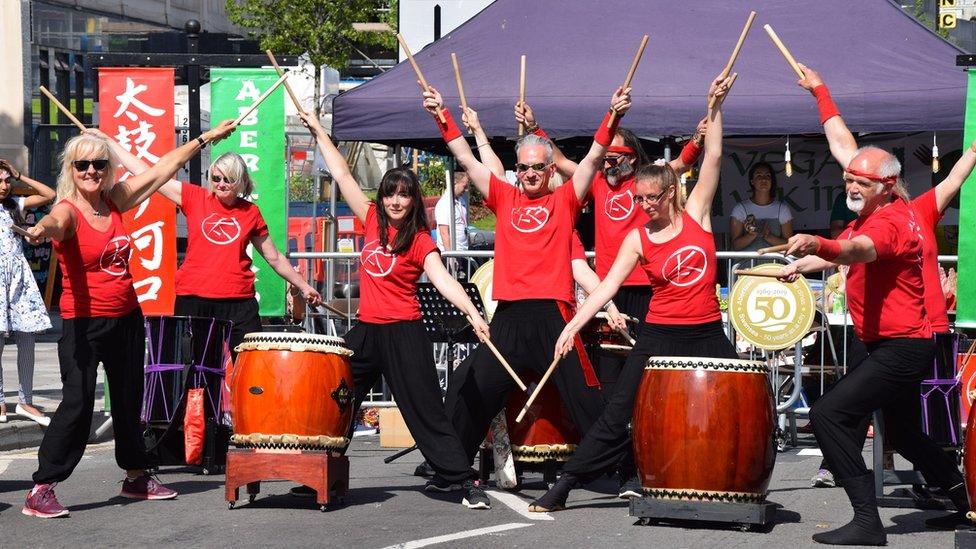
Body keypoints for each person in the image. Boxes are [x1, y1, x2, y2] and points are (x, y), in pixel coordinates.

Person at [527, 72, 735, 512]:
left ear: (672, 191)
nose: (645, 207)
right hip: (660, 330)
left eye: (652, 198)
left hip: (706, 329)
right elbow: (605, 288)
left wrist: (714, 105)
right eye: (640, 200)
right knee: (615, 410)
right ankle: (565, 486)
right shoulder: (638, 238)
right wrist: (575, 326)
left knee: (735, 398)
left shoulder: (696, 213)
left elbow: (713, 156)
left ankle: (733, 475)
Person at [423, 83, 632, 510]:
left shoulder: (566, 200)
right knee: (473, 386)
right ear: (516, 168)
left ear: (550, 168)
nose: (531, 174)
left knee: (585, 396)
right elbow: (464, 157)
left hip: (554, 316)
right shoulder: (503, 196)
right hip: (510, 319)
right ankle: (453, 469)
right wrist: (440, 115)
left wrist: (613, 116)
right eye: (524, 167)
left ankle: (627, 469)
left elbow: (593, 157)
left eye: (538, 167)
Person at [786, 64, 971, 541]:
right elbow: (849, 148)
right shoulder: (913, 206)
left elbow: (855, 251)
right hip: (900, 340)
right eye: (849, 179)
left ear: (885, 186)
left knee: (829, 414)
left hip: (902, 344)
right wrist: (821, 93)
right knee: (906, 432)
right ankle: (966, 502)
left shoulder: (886, 226)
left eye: (860, 183)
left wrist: (820, 247)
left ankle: (867, 521)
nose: (850, 184)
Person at [21, 120, 237, 518]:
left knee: (129, 398)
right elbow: (54, 225)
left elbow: (160, 169)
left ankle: (137, 475)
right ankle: (42, 487)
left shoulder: (116, 200)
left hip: (127, 318)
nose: (91, 171)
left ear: (108, 169)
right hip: (84, 324)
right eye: (83, 165)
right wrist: (39, 232)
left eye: (99, 165)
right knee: (77, 402)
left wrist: (208, 138)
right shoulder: (67, 211)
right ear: (71, 169)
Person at [299, 110, 492, 509]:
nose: (396, 201)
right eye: (390, 193)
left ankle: (461, 480)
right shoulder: (370, 219)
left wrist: (473, 314)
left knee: (426, 412)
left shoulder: (420, 240)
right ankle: (317, 472)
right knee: (335, 396)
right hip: (367, 332)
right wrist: (318, 130)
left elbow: (445, 281)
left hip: (405, 333)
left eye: (404, 194)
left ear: (413, 199)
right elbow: (343, 175)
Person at [88, 129, 322, 353]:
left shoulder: (250, 212)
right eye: (216, 177)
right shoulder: (195, 197)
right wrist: (109, 142)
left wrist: (303, 286)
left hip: (238, 301)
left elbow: (274, 257)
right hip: (194, 297)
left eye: (228, 179)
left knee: (250, 362)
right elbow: (149, 172)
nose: (220, 183)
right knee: (198, 368)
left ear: (240, 182)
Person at [0, 160, 55, 425]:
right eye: (0, 181)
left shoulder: (14, 206)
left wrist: (20, 175)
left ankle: (26, 400)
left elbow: (49, 195)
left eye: (7, 181)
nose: (4, 186)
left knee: (27, 338)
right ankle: (0, 402)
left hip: (19, 279)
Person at [729, 161, 794, 252]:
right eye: (759, 176)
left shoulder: (782, 209)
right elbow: (736, 245)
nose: (764, 179)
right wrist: (751, 235)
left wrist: (769, 237)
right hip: (745, 264)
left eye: (768, 176)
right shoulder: (740, 209)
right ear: (752, 181)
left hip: (774, 264)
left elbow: (789, 245)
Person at [435, 169, 469, 252]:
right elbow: (444, 232)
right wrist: (451, 256)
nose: (466, 190)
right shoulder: (445, 203)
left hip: (462, 249)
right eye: (464, 186)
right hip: (452, 253)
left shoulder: (461, 200)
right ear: (454, 183)